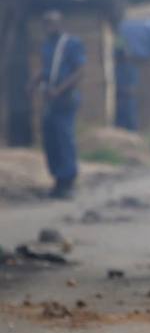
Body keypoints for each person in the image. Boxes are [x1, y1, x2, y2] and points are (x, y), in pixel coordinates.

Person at [28, 10, 86, 198]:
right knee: (50, 139)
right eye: (46, 23)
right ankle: (57, 179)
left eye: (52, 23)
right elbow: (46, 71)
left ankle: (68, 181)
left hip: (65, 98)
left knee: (64, 138)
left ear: (60, 24)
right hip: (50, 99)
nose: (48, 27)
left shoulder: (71, 44)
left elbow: (79, 71)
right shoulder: (47, 46)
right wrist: (33, 84)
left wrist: (59, 90)